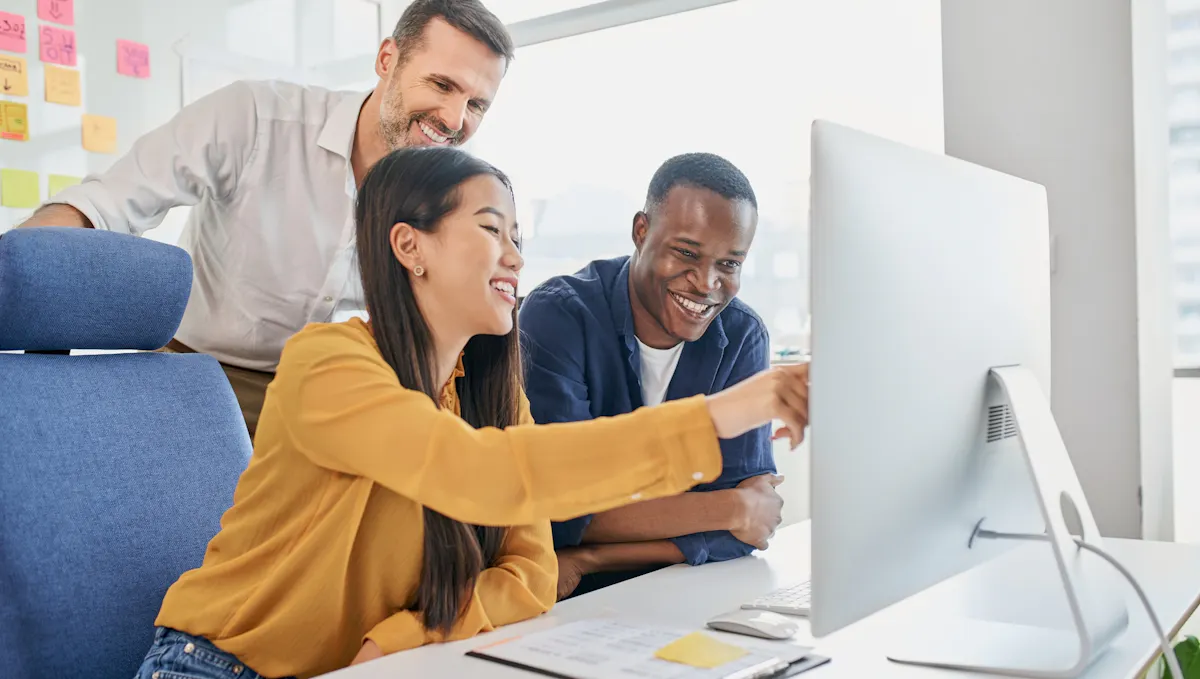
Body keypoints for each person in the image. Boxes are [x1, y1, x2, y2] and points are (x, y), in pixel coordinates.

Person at [131, 147, 810, 679]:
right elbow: (482, 475)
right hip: (219, 665)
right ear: (410, 247)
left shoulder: (488, 388)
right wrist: (721, 413)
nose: (516, 255)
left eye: (518, 235)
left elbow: (533, 568)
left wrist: (401, 635)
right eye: (492, 230)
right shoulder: (327, 364)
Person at [17, 0, 513, 438]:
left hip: (328, 390)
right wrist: (17, 271)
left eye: (476, 104)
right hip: (198, 371)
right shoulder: (255, 117)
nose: (453, 118)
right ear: (388, 60)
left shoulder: (451, 196)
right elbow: (109, 203)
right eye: (441, 84)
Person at [519, 153, 782, 599]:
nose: (705, 283)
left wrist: (593, 556)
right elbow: (560, 515)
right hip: (564, 601)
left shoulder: (742, 335)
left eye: (730, 264)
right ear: (642, 232)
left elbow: (748, 534)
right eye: (686, 253)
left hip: (680, 589)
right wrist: (729, 506)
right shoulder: (559, 315)